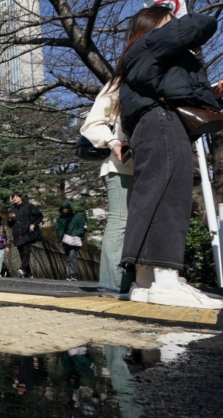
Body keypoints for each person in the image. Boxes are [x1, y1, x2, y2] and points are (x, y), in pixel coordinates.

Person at [118, 6, 223, 309]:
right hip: (163, 122)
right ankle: (166, 281)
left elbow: (171, 87)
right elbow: (202, 23)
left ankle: (145, 282)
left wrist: (210, 96)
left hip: (151, 124)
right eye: (170, 24)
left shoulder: (142, 56)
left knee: (151, 196)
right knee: (170, 195)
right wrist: (180, 30)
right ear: (155, 27)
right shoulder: (153, 43)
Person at [80, 80, 134, 296]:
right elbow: (92, 123)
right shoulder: (120, 82)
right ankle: (113, 282)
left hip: (147, 164)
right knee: (121, 219)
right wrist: (112, 141)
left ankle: (128, 279)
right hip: (119, 162)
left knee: (133, 222)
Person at [7, 193, 42, 278]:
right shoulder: (12, 210)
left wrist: (34, 224)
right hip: (17, 234)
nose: (14, 199)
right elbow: (9, 224)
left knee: (26, 252)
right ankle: (28, 273)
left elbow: (39, 215)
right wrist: (10, 218)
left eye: (16, 197)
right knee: (21, 253)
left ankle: (22, 269)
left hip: (26, 232)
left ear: (21, 198)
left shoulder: (29, 206)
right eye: (13, 197)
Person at [55, 202, 86, 281]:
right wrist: (62, 236)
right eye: (63, 209)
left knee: (72, 255)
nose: (65, 210)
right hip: (65, 240)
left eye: (66, 208)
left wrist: (74, 234)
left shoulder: (77, 217)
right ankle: (71, 274)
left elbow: (83, 228)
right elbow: (58, 229)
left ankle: (73, 274)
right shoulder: (60, 219)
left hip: (74, 240)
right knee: (68, 256)